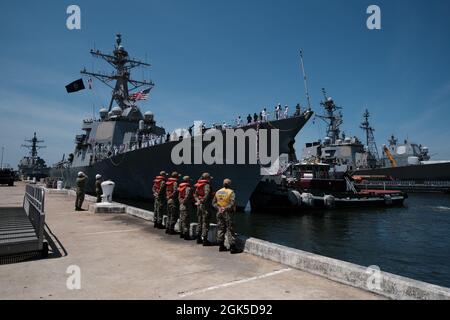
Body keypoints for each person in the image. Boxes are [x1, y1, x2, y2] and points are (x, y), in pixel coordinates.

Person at [213, 179, 242, 254]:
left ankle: (221, 246)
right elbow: (232, 203)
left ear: (223, 184)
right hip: (228, 213)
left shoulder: (218, 192)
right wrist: (225, 208)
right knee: (230, 229)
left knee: (221, 228)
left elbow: (214, 203)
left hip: (219, 212)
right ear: (229, 184)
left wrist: (219, 208)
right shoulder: (231, 192)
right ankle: (232, 248)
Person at [194, 172, 213, 246]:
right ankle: (205, 240)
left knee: (199, 221)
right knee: (205, 222)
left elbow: (195, 194)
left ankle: (198, 238)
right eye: (209, 178)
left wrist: (198, 201)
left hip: (199, 206)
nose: (210, 180)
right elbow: (207, 194)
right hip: (205, 206)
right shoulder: (207, 185)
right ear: (207, 178)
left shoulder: (198, 185)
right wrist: (202, 201)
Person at [178, 176, 194, 240]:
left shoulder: (180, 187)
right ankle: (186, 235)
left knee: (181, 220)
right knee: (186, 221)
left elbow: (179, 196)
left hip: (181, 206)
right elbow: (187, 196)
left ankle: (181, 233)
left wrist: (181, 202)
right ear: (187, 181)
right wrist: (184, 202)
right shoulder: (188, 188)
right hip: (186, 206)